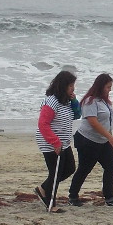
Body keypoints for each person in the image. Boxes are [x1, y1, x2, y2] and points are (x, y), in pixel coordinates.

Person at [68, 73, 113, 207]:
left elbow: (107, 119)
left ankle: (110, 198)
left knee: (111, 166)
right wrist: (109, 136)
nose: (109, 90)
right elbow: (93, 122)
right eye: (108, 87)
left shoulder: (104, 101)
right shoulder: (90, 101)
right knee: (85, 168)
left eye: (110, 87)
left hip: (102, 140)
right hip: (87, 140)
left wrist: (108, 135)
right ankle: (73, 196)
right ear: (100, 86)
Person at [34, 70, 81, 213]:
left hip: (64, 141)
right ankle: (51, 203)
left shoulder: (65, 101)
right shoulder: (51, 101)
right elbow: (43, 124)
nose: (73, 88)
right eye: (71, 85)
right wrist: (55, 142)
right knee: (55, 172)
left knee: (70, 168)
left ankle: (42, 189)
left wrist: (74, 100)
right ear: (63, 85)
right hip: (50, 142)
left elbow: (77, 115)